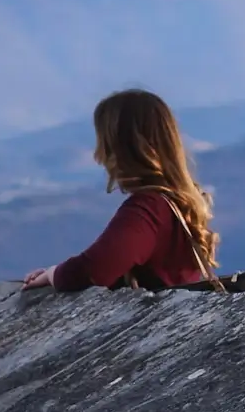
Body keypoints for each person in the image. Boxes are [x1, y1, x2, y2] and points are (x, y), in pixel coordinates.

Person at [21, 87, 220, 291]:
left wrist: (55, 274)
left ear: (119, 147)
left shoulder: (149, 208)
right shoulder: (176, 201)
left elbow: (96, 269)